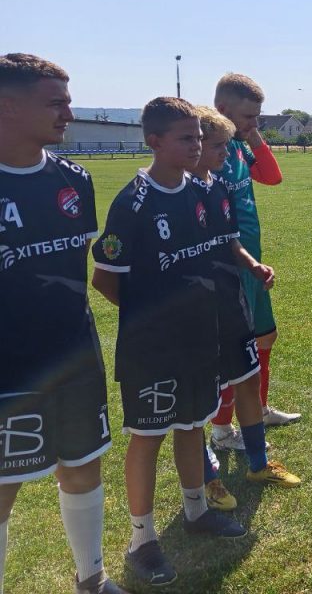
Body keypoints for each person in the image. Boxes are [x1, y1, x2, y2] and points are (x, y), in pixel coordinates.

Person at [93, 98, 246, 588]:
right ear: (154, 141)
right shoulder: (133, 201)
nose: (196, 145)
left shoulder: (199, 191)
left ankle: (196, 510)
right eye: (186, 138)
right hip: (153, 347)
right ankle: (142, 539)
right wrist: (153, 315)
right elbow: (105, 278)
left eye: (199, 137)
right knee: (149, 435)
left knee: (192, 424)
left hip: (199, 338)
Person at [0, 54, 127, 594]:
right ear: (8, 106)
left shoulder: (73, 178)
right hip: (9, 366)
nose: (68, 114)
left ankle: (91, 579)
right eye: (56, 103)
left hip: (75, 354)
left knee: (82, 466)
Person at [192, 107, 301, 506]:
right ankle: (207, 476)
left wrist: (253, 265)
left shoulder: (216, 187)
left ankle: (258, 463)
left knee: (248, 373)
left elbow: (229, 236)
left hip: (234, 288)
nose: (227, 153)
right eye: (218, 146)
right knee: (202, 389)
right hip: (199, 304)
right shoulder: (170, 192)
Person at [212, 74, 300, 431]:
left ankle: (260, 409)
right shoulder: (209, 151)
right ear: (223, 109)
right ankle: (221, 429)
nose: (255, 123)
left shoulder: (238, 146)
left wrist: (252, 136)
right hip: (229, 263)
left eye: (258, 116)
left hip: (253, 260)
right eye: (249, 116)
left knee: (265, 336)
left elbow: (273, 177)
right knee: (233, 347)